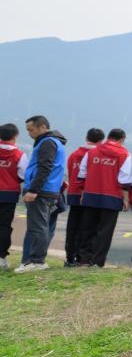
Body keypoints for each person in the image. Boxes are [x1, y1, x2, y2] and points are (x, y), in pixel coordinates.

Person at [15, 116, 67, 273]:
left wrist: (33, 190)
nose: (29, 133)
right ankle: (34, 260)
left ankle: (37, 261)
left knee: (38, 227)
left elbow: (45, 167)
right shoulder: (53, 142)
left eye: (31, 130)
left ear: (42, 127)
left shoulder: (47, 142)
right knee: (40, 226)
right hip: (48, 190)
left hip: (42, 191)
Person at [77, 128, 132, 268]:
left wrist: (84, 192)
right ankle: (97, 261)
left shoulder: (92, 152)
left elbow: (82, 174)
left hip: (91, 195)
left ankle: (84, 260)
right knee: (105, 231)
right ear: (121, 139)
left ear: (108, 137)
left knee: (87, 228)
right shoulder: (125, 154)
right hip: (112, 197)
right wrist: (126, 199)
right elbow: (124, 179)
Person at [64, 127, 105, 267]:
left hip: (73, 193)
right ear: (101, 141)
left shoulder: (74, 155)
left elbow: (70, 172)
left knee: (72, 227)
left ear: (86, 137)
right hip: (90, 195)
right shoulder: (97, 156)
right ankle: (83, 258)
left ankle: (69, 257)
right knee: (88, 228)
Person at [0, 123, 27, 271]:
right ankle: (1, 258)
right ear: (15, 136)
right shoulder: (19, 155)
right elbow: (23, 175)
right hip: (8, 195)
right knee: (3, 226)